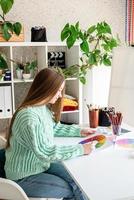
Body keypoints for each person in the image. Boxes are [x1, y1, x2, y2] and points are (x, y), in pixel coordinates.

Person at [5, 68, 94, 200]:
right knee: (73, 188)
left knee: (78, 179)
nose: (60, 95)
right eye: (58, 90)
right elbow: (45, 152)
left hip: (40, 166)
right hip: (23, 177)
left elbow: (52, 128)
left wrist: (79, 131)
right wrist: (81, 149)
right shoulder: (28, 117)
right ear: (46, 89)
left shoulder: (41, 108)